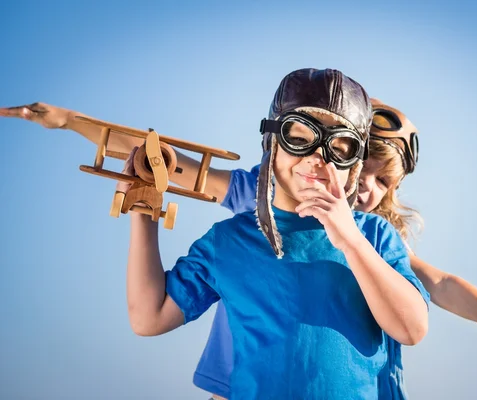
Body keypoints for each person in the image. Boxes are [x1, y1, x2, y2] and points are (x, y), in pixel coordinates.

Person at [0, 95, 477, 393]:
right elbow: (171, 168)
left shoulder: (373, 239)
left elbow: (440, 287)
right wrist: (72, 121)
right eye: (365, 173)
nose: (369, 191)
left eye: (385, 184)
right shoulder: (264, 197)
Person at [124, 68, 429, 399]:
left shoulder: (374, 236)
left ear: (353, 166)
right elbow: (149, 317)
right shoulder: (228, 240)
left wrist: (350, 239)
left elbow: (411, 329)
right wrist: (143, 210)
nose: (317, 158)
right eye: (298, 138)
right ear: (272, 141)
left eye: (339, 148)